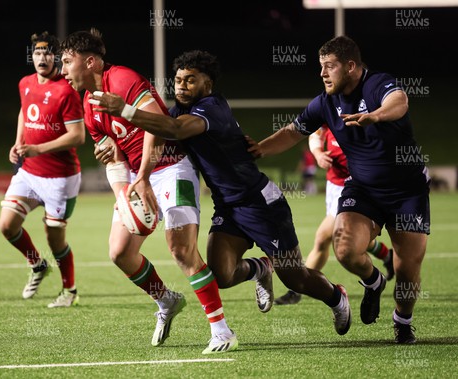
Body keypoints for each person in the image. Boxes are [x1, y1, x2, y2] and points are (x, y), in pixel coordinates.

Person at [89, 50, 352, 343]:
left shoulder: (211, 107)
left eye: (191, 80)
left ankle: (336, 296)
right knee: (222, 275)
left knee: (296, 278)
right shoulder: (176, 111)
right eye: (178, 80)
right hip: (227, 206)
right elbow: (151, 135)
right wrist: (114, 146)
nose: (182, 86)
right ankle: (260, 267)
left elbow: (173, 130)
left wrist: (125, 109)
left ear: (208, 85)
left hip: (260, 203)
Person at [60, 29, 246, 354]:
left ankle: (221, 330)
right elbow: (113, 158)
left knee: (181, 250)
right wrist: (124, 195)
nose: (62, 70)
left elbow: (156, 122)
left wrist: (144, 175)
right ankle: (166, 299)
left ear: (89, 62)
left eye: (66, 62)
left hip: (172, 166)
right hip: (137, 175)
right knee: (119, 253)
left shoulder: (122, 79)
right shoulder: (89, 107)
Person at [250, 36, 429, 344]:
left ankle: (402, 321)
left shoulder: (377, 84)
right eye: (321, 67)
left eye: (329, 66)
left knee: (407, 267)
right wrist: (259, 150)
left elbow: (400, 102)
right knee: (344, 248)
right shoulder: (325, 102)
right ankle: (373, 282)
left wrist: (375, 116)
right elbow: (293, 132)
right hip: (362, 188)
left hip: (406, 190)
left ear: (350, 66)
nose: (322, 73)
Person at [0, 31, 85, 308]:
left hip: (61, 178)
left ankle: (69, 290)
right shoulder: (25, 83)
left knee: (55, 238)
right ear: (31, 56)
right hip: (29, 173)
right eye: (37, 53)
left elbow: (78, 136)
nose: (42, 58)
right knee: (7, 225)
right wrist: (18, 142)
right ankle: (37, 265)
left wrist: (39, 149)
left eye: (47, 53)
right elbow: (25, 111)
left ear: (57, 58)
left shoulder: (67, 91)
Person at [274, 125, 395, 305]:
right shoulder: (330, 107)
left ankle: (298, 288)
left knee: (323, 236)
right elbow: (316, 133)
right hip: (333, 185)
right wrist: (317, 153)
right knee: (354, 237)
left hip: (354, 185)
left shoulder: (364, 109)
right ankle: (387, 256)